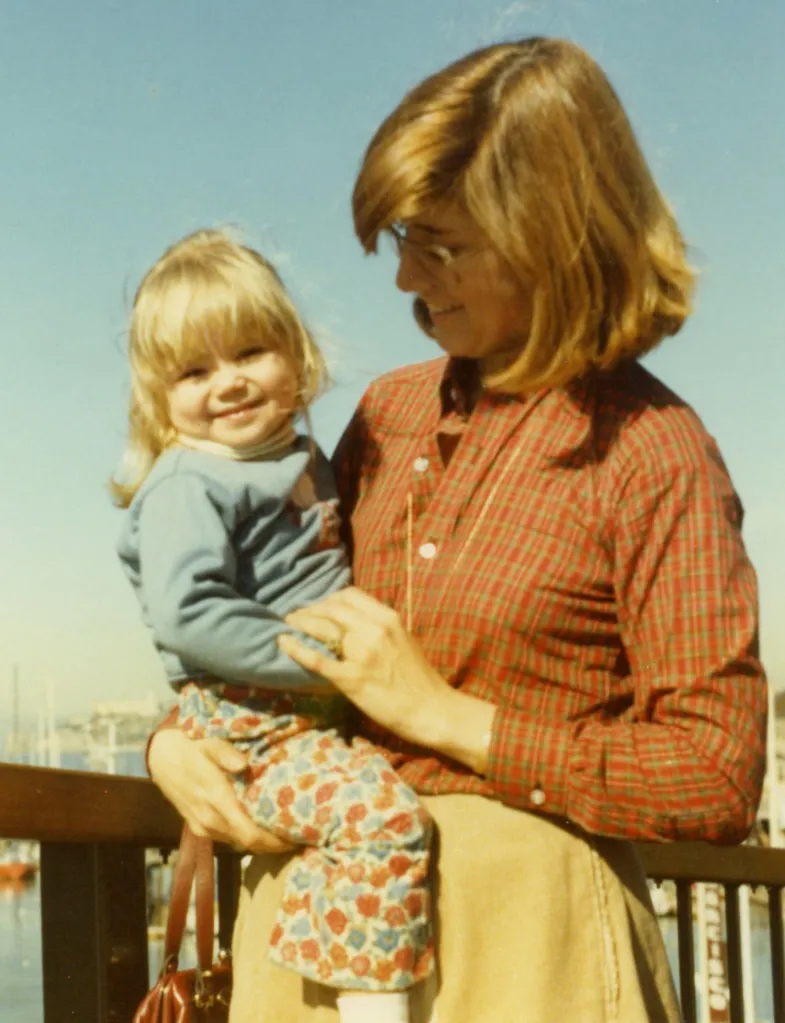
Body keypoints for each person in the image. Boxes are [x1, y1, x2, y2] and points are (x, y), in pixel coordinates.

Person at [145, 37, 767, 1023]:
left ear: (552, 234)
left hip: (533, 955)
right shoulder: (385, 417)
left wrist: (448, 720)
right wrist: (173, 745)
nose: (402, 278)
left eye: (440, 246)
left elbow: (713, 774)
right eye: (402, 237)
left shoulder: (655, 452)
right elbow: (268, 614)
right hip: (319, 939)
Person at [113, 229, 434, 1023]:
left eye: (250, 352)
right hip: (255, 721)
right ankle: (367, 1005)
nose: (226, 383)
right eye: (194, 369)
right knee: (378, 817)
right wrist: (330, 662)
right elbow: (189, 615)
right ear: (160, 395)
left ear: (296, 355)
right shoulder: (192, 482)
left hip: (300, 716)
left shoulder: (294, 453)